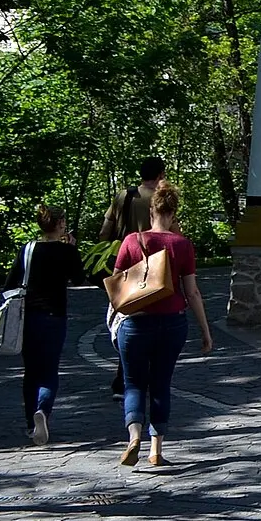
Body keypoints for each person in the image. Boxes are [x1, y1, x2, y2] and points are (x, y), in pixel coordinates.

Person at [111, 183, 213, 468]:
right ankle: (156, 449)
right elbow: (191, 292)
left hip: (136, 324)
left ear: (151, 210)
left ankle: (134, 437)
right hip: (172, 323)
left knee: (133, 384)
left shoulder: (132, 241)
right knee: (161, 384)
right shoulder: (182, 245)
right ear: (173, 213)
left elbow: (116, 283)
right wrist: (205, 331)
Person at [7, 205, 84, 445]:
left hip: (28, 317)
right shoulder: (65, 251)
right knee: (49, 370)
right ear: (60, 224)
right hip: (54, 316)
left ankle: (32, 424)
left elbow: (9, 284)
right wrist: (72, 250)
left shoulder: (28, 250)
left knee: (31, 371)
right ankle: (43, 409)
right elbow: (79, 278)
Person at [99, 157, 167, 399]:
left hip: (124, 264)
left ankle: (124, 380)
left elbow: (105, 231)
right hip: (154, 269)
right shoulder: (161, 198)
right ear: (160, 174)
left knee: (126, 321)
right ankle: (136, 380)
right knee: (151, 324)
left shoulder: (124, 196)